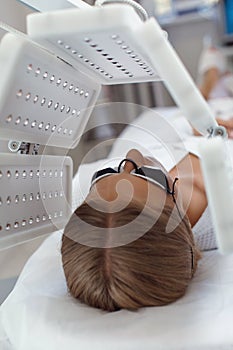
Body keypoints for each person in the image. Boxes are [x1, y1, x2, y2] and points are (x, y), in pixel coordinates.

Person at [61, 46, 231, 313]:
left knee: (197, 104)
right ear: (176, 214)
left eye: (108, 171)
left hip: (170, 118)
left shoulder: (91, 203)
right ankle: (212, 76)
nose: (133, 155)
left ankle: (209, 77)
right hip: (222, 114)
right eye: (146, 175)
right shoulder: (224, 212)